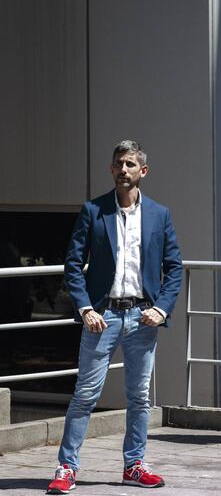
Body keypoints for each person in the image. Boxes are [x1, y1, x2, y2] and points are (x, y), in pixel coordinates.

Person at [47, 140, 182, 494]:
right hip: (101, 316)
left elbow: (175, 269)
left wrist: (161, 307)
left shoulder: (159, 214)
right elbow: (73, 265)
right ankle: (66, 468)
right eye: (119, 164)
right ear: (111, 169)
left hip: (142, 317)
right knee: (85, 395)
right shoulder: (94, 211)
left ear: (143, 171)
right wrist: (85, 307)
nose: (124, 170)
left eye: (131, 164)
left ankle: (134, 466)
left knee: (139, 396)